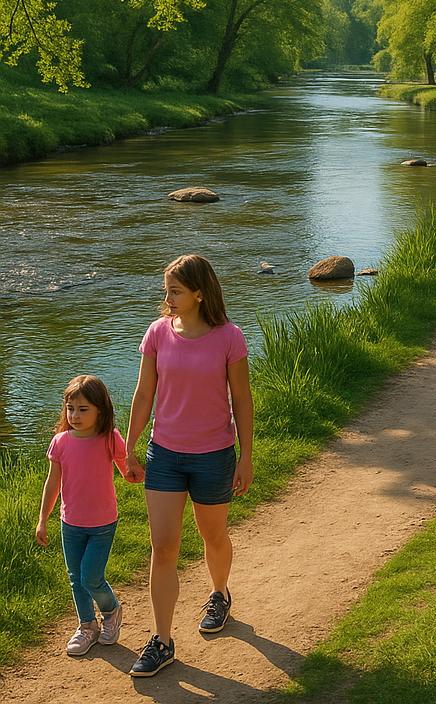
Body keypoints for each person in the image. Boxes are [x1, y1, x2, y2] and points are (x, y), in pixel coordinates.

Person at [124, 254, 254, 677]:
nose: (168, 298)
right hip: (165, 455)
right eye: (167, 290)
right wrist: (129, 445)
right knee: (163, 548)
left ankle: (219, 593)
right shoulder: (157, 334)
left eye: (175, 290)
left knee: (213, 536)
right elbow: (144, 394)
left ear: (199, 293)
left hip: (215, 455)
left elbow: (242, 400)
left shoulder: (229, 337)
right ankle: (162, 641)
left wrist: (246, 456)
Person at [36, 375, 131, 656]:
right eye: (70, 408)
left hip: (103, 523)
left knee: (91, 576)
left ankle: (111, 611)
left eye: (83, 409)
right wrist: (43, 519)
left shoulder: (109, 439)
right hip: (71, 523)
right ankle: (87, 626)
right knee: (75, 578)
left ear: (100, 410)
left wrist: (140, 475)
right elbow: (52, 483)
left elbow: (127, 471)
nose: (75, 415)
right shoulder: (61, 442)